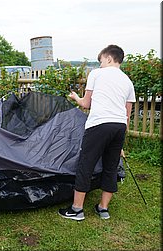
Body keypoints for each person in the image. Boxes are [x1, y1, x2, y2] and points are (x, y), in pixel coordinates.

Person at [58, 45, 135, 221]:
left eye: (101, 61)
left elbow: (86, 103)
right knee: (111, 167)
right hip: (119, 127)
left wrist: (75, 98)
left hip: (99, 124)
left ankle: (77, 209)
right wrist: (120, 143)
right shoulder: (128, 81)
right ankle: (103, 208)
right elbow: (127, 115)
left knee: (86, 164)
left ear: (108, 58)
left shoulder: (96, 74)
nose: (100, 64)